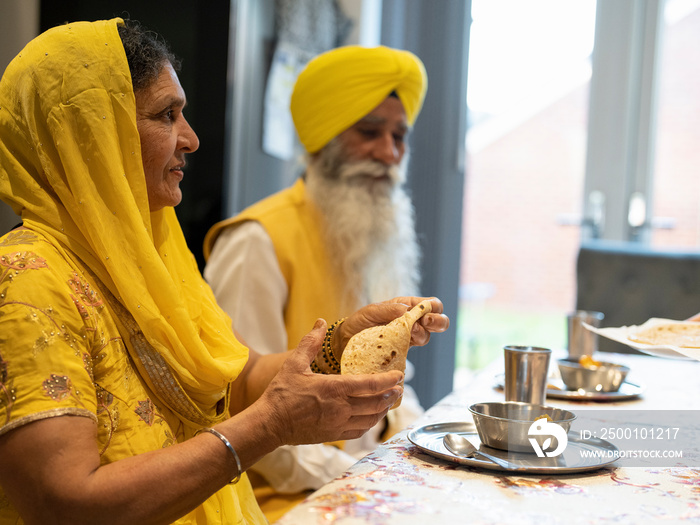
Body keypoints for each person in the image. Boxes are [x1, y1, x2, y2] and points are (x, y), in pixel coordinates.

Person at [0, 19, 449, 525]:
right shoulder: (26, 277)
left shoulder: (156, 259)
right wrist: (268, 427)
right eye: (165, 116)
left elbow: (236, 380)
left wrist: (343, 339)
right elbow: (64, 504)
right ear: (90, 133)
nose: (190, 139)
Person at [202, 45, 429, 518]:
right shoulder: (256, 241)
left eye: (399, 137)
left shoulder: (373, 234)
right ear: (323, 140)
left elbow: (391, 390)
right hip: (281, 497)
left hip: (368, 476)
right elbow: (240, 412)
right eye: (369, 133)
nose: (388, 153)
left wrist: (420, 448)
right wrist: (367, 478)